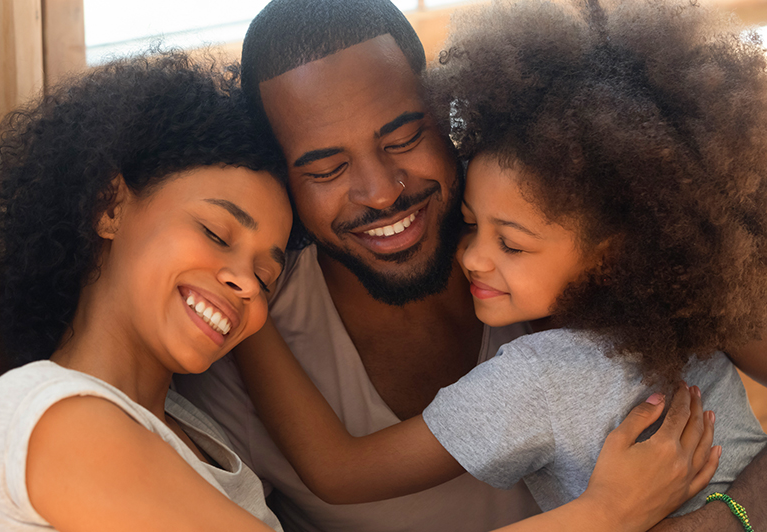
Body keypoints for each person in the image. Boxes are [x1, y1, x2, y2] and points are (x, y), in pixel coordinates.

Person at [175, 0, 767, 531]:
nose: (381, 193)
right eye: (326, 169)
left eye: (405, 136)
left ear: (447, 111)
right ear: (282, 179)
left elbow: (339, 470)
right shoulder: (226, 363)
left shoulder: (576, 217)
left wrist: (727, 517)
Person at [0, 50, 291, 531]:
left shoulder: (191, 427)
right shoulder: (41, 416)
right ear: (109, 207)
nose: (248, 282)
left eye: (267, 277)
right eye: (215, 232)